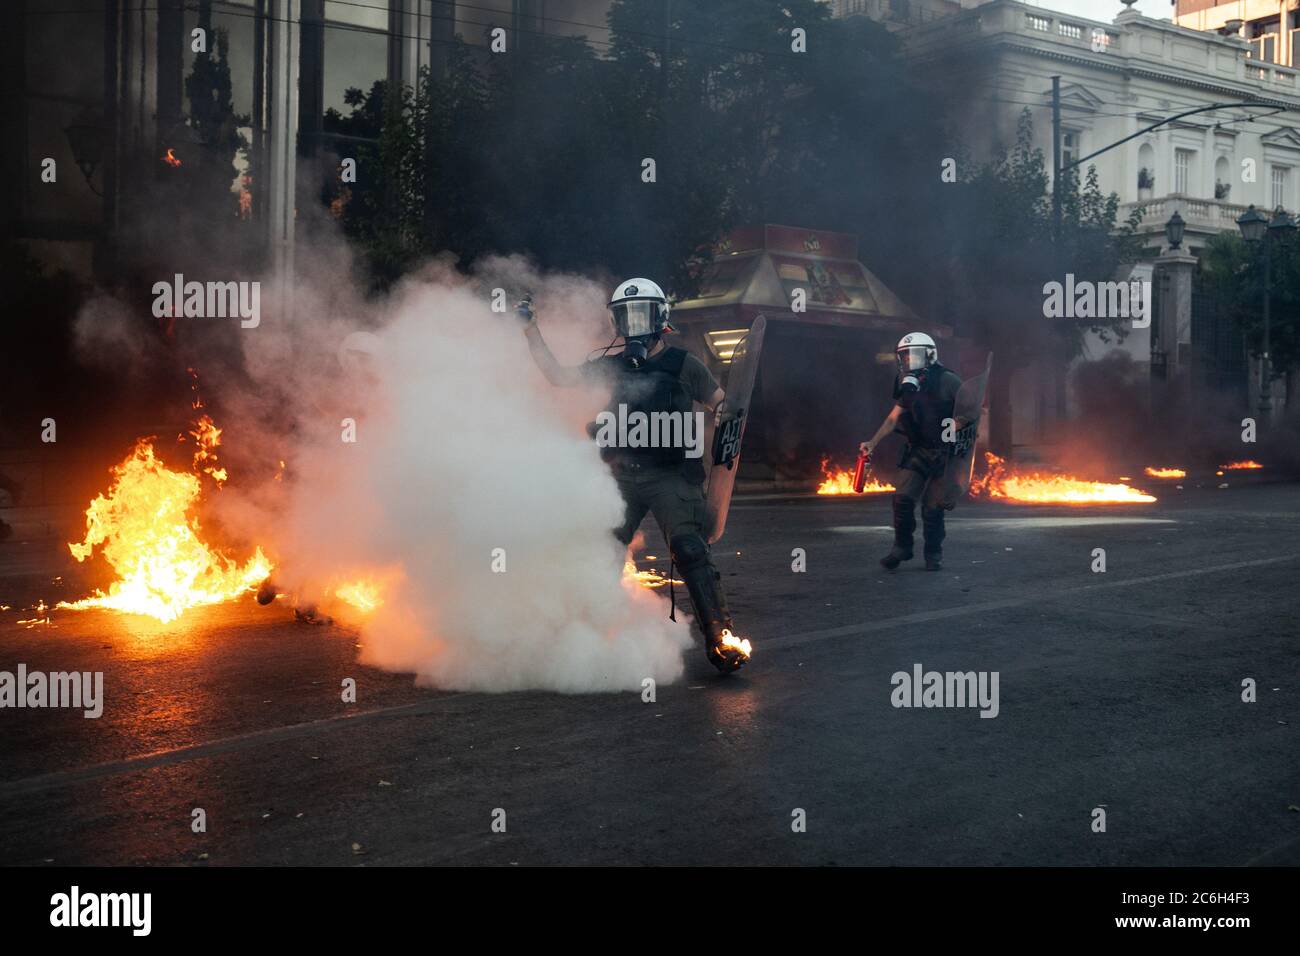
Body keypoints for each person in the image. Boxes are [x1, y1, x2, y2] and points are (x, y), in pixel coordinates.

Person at [519, 278, 748, 672]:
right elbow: (559, 377)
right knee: (602, 552)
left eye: (642, 314)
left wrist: (727, 414)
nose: (634, 325)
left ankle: (720, 638)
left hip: (672, 476)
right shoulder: (610, 366)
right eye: (626, 317)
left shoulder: (684, 364)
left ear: (660, 319)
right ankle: (585, 638)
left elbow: (719, 404)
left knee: (691, 550)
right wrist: (529, 329)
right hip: (622, 474)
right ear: (617, 323)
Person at [861, 332, 964, 572]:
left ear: (929, 355)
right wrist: (872, 442)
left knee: (932, 507)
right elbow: (893, 418)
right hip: (918, 449)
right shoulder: (906, 384)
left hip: (945, 453)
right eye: (904, 356)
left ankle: (933, 554)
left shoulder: (948, 380)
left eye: (913, 355)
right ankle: (902, 547)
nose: (908, 361)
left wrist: (958, 427)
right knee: (902, 498)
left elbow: (972, 411)